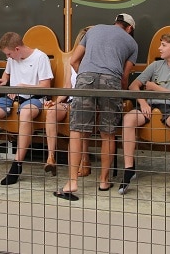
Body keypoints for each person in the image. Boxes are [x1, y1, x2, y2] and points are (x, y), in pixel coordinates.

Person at [55, 14, 138, 201]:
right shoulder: (132, 44)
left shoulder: (94, 30)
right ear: (130, 28)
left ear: (115, 22)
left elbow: (73, 61)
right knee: (108, 133)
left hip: (86, 78)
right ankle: (103, 180)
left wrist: (85, 76)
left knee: (77, 131)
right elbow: (125, 76)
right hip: (112, 81)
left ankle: (72, 182)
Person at [118, 32, 170, 197]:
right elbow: (133, 86)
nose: (159, 48)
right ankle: (129, 168)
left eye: (164, 45)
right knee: (128, 118)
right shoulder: (155, 66)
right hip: (150, 106)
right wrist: (143, 102)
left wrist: (154, 88)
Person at [0, 32, 53, 186]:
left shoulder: (40, 57)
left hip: (34, 99)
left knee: (25, 112)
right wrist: (1, 82)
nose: (8, 57)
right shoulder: (12, 58)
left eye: (9, 54)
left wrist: (23, 87)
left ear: (17, 49)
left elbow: (46, 86)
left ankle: (17, 165)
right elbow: (6, 77)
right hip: (12, 98)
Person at [42, 26, 91, 177]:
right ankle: (51, 157)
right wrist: (55, 102)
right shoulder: (72, 62)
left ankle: (84, 160)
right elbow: (66, 87)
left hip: (86, 102)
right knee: (51, 112)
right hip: (70, 100)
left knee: (80, 116)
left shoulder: (95, 61)